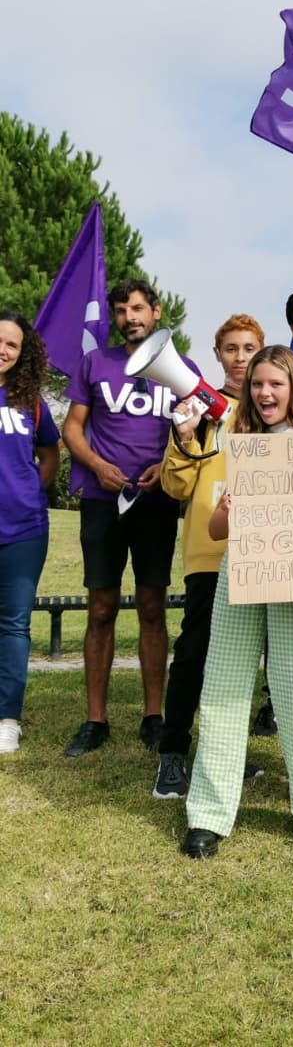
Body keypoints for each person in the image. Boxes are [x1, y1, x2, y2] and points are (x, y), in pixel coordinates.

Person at [182, 346, 293, 858]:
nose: (264, 393)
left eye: (275, 383)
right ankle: (209, 814)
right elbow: (216, 528)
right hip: (241, 570)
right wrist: (233, 508)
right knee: (222, 688)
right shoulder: (244, 436)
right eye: (257, 384)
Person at [61, 280, 188, 757]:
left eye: (138, 308)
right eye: (121, 310)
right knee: (100, 609)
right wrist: (96, 466)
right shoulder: (95, 363)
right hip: (102, 500)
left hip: (155, 503)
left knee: (153, 608)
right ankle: (96, 720)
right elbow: (73, 428)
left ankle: (153, 716)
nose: (130, 317)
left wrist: (168, 463)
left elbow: (192, 429)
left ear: (156, 311)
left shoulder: (182, 367)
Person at [153, 314, 265, 798]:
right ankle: (172, 754)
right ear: (217, 355)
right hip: (208, 552)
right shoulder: (198, 410)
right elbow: (176, 485)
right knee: (195, 655)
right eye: (231, 349)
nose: (240, 358)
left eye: (249, 349)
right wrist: (184, 437)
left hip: (259, 551)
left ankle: (223, 753)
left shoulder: (271, 409)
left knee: (241, 664)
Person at [0, 313, 60, 753]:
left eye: (12, 345)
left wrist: (27, 493)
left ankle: (7, 718)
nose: (4, 350)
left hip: (23, 529)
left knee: (14, 626)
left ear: (23, 354)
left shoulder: (30, 401)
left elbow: (49, 454)